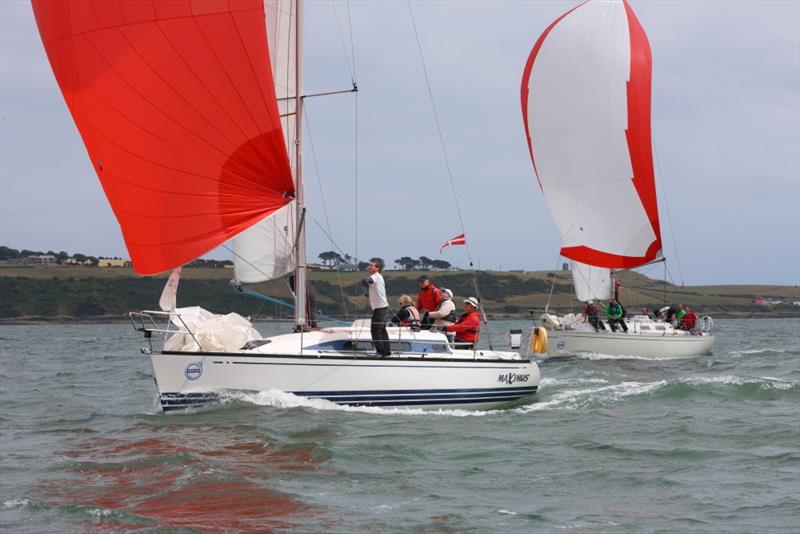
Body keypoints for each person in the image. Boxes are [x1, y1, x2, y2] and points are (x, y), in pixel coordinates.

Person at [363, 259, 391, 356]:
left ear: (377, 268)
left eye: (371, 265)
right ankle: (386, 352)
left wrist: (365, 285)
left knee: (375, 330)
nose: (369, 267)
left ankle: (380, 352)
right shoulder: (378, 277)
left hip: (380, 309)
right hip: (382, 308)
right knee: (382, 331)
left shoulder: (376, 276)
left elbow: (367, 281)